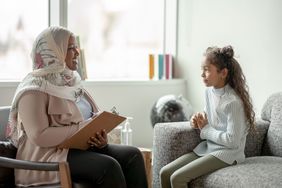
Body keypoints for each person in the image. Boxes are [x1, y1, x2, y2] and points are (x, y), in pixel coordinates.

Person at [6, 26, 148, 188]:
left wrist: (100, 139)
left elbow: (91, 117)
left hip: (80, 149)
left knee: (133, 155)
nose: (77, 52)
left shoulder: (72, 83)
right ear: (54, 51)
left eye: (76, 47)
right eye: (71, 48)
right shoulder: (33, 89)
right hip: (48, 157)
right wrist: (82, 128)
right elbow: (39, 135)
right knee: (108, 166)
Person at [159, 45, 255, 188]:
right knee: (165, 173)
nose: (202, 74)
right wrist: (196, 119)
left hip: (229, 154)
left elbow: (233, 141)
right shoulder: (209, 92)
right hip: (209, 148)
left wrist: (205, 130)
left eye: (207, 69)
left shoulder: (233, 102)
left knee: (177, 178)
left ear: (223, 73)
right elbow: (208, 116)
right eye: (202, 69)